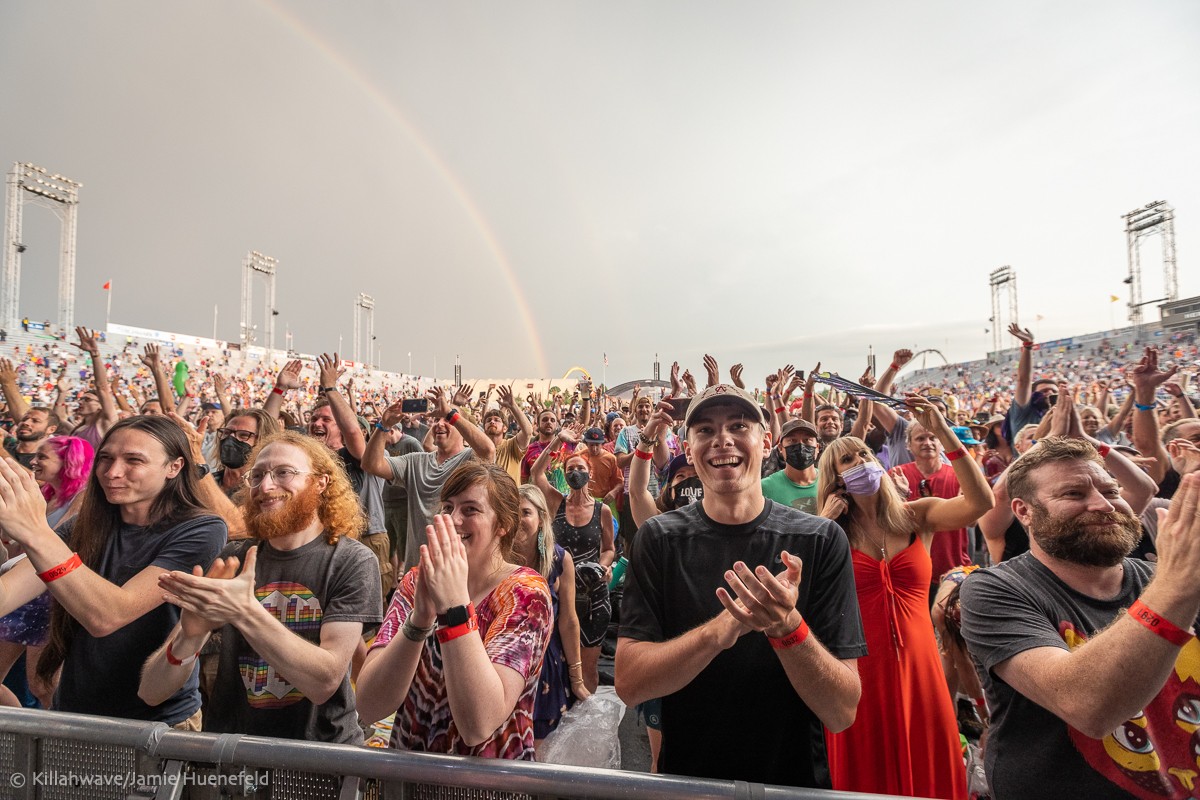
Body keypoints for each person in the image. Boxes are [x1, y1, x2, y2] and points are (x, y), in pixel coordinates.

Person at [616, 385, 865, 787]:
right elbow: (629, 685)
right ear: (689, 446)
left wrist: (788, 629)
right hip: (690, 785)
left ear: (766, 443)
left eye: (738, 425)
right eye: (705, 430)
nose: (722, 440)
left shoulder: (820, 540)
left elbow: (841, 711)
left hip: (793, 784)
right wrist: (719, 632)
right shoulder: (659, 540)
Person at [960, 438, 1200, 799]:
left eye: (1111, 490)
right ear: (1024, 512)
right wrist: (1176, 587)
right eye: (1073, 494)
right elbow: (1088, 707)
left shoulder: (1166, 578)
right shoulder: (994, 590)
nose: (1103, 504)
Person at [138, 432, 382, 743]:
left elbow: (324, 682)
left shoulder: (352, 560)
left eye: (284, 473)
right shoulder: (234, 558)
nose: (265, 487)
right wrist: (190, 634)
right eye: (257, 475)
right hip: (233, 756)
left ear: (321, 483)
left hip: (319, 758)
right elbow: (151, 691)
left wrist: (245, 612)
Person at [816, 398, 994, 799]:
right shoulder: (828, 534)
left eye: (864, 452)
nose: (860, 460)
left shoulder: (918, 516)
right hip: (859, 672)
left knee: (929, 767)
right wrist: (823, 525)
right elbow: (797, 588)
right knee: (868, 775)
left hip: (922, 665)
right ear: (836, 477)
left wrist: (945, 432)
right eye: (847, 460)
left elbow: (981, 503)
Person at [0, 416, 226, 726]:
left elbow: (110, 615)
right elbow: (11, 591)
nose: (112, 472)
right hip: (76, 712)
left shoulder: (202, 529)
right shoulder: (87, 524)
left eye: (134, 460)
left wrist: (36, 533)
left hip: (156, 723)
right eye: (105, 458)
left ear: (174, 467)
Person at [355, 462, 552, 760]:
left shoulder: (525, 592)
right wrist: (419, 621)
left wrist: (455, 607)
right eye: (448, 507)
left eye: (470, 509)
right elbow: (369, 705)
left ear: (503, 525)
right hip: (410, 774)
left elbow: (478, 725)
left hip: (489, 782)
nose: (453, 519)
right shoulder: (417, 580)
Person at [0, 435, 93, 709]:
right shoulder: (46, 494)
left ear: (69, 463)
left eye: (43, 457)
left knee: (42, 685)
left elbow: (56, 543)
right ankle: (18, 736)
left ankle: (52, 743)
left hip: (48, 598)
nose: (34, 461)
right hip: (20, 590)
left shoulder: (83, 496)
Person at [362, 387, 495, 573]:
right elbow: (371, 465)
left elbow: (488, 451)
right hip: (417, 567)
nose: (440, 424)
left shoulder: (469, 460)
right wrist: (384, 426)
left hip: (456, 569)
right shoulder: (415, 461)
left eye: (446, 420)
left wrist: (451, 412)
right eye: (436, 420)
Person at [529, 428, 615, 692]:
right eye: (569, 469)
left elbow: (610, 548)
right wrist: (558, 440)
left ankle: (586, 727)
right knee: (559, 662)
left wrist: (605, 566)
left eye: (580, 468)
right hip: (559, 593)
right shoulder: (557, 502)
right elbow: (535, 474)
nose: (574, 473)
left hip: (593, 596)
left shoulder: (603, 510)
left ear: (589, 473)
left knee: (588, 668)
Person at [513, 485, 589, 754]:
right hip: (506, 665)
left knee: (543, 754)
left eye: (525, 512)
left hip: (547, 668)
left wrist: (577, 678)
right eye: (512, 512)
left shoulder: (559, 559)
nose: (518, 519)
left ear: (541, 518)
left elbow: (568, 620)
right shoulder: (496, 556)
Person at [761, 419, 821, 514]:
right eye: (792, 441)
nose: (801, 446)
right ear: (780, 448)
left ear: (817, 448)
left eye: (807, 440)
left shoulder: (830, 481)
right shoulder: (764, 488)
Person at [485, 384, 532, 486]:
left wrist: (512, 406)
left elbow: (528, 432)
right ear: (484, 428)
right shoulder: (478, 450)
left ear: (505, 428)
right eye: (488, 420)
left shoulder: (512, 446)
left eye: (497, 420)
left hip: (510, 501)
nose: (492, 422)